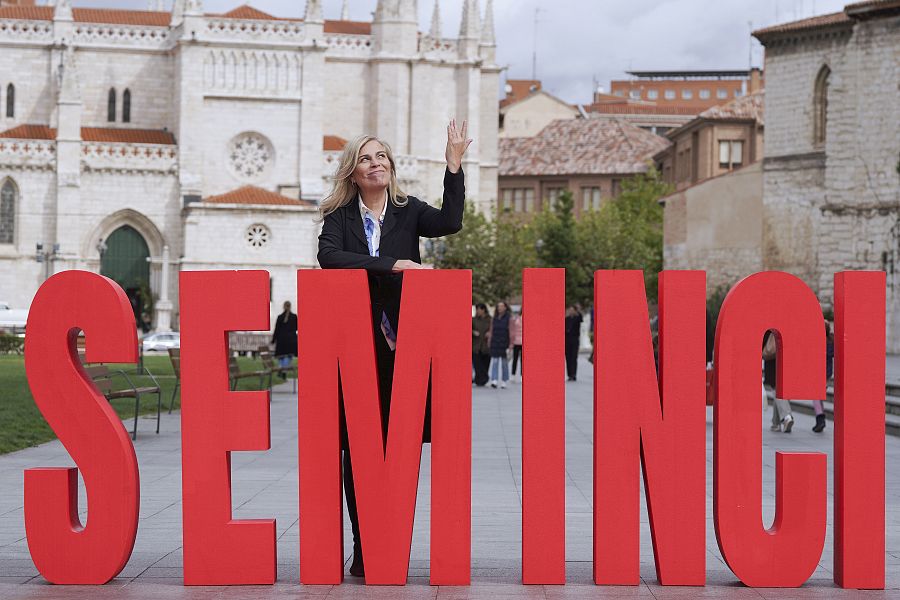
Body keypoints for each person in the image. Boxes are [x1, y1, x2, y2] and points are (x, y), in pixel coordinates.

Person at [316, 120, 471, 578]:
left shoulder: (408, 211)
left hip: (404, 346)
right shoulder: (338, 220)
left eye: (381, 156)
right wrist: (392, 264)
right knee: (355, 448)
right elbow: (330, 257)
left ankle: (393, 537)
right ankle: (365, 545)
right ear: (352, 171)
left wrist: (454, 165)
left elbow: (451, 222)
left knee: (401, 444)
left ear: (391, 167)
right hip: (356, 347)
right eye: (365, 158)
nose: (375, 163)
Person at [763, 330, 794, 432]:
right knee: (779, 389)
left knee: (777, 389)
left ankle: (786, 416)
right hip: (786, 358)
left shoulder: (768, 324)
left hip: (773, 361)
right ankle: (775, 423)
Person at [813, 321, 834, 432]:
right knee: (819, 396)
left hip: (817, 373)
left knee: (816, 396)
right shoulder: (831, 341)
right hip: (827, 374)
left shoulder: (817, 341)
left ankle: (820, 418)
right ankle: (820, 419)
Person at [488, 301, 512, 388]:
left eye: (501, 306)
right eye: (498, 306)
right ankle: (494, 380)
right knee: (494, 362)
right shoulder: (494, 318)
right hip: (495, 342)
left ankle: (504, 380)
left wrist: (511, 345)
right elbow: (491, 330)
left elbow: (511, 331)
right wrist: (489, 341)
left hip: (505, 342)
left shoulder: (509, 318)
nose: (500, 308)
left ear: (505, 307)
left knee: (504, 363)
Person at [272, 301, 297, 378]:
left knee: (281, 356)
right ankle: (284, 370)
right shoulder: (294, 317)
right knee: (288, 356)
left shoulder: (280, 317)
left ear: (283, 306)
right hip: (291, 341)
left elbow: (276, 330)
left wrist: (273, 340)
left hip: (281, 340)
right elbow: (297, 328)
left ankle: (281, 368)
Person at [472, 303, 491, 386]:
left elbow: (493, 329)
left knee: (485, 364)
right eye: (476, 309)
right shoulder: (473, 320)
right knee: (477, 364)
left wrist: (490, 332)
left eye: (478, 309)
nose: (477, 311)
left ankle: (479, 380)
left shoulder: (490, 319)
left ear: (483, 310)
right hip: (476, 345)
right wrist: (473, 332)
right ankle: (484, 378)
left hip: (486, 345)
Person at [565, 305, 583, 381]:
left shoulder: (577, 318)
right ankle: (569, 374)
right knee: (568, 357)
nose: (571, 311)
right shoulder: (566, 319)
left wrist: (578, 310)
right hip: (567, 340)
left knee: (574, 357)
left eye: (572, 310)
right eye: (570, 310)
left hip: (575, 340)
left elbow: (581, 318)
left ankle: (574, 374)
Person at [509, 308, 523, 382]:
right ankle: (513, 374)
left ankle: (522, 375)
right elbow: (512, 330)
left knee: (523, 360)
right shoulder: (516, 318)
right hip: (516, 341)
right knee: (515, 359)